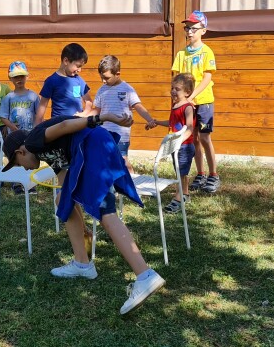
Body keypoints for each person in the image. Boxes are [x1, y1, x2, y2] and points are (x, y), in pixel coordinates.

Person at [2, 113, 166, 315]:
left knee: (106, 212)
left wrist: (105, 117)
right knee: (62, 201)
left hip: (94, 145)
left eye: (18, 163)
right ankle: (82, 263)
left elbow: (63, 125)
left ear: (20, 151)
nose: (24, 169)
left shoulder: (33, 141)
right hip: (97, 144)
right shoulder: (46, 153)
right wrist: (82, 227)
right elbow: (66, 189)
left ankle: (145, 275)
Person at [172, 11, 220, 194]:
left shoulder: (207, 52)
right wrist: (179, 100)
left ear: (203, 30)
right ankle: (200, 173)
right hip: (187, 104)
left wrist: (191, 97)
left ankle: (213, 175)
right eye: (187, 28)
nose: (190, 32)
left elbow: (207, 78)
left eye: (193, 28)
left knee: (205, 137)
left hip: (204, 101)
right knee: (193, 139)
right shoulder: (181, 54)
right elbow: (176, 79)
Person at [92, 55, 157, 168]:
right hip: (105, 135)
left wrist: (150, 120)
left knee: (123, 161)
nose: (103, 81)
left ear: (117, 74)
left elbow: (138, 106)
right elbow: (96, 111)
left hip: (121, 136)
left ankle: (131, 182)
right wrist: (82, 119)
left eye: (107, 78)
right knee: (106, 162)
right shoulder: (101, 90)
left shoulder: (127, 89)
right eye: (101, 77)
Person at [145, 74, 196, 213]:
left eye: (177, 89)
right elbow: (172, 123)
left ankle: (178, 199)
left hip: (184, 146)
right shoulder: (175, 106)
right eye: (172, 88)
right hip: (176, 146)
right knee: (181, 173)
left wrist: (180, 141)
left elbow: (190, 127)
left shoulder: (188, 107)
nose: (173, 91)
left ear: (187, 92)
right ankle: (185, 194)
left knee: (180, 173)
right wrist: (157, 122)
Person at [35, 42, 91, 124]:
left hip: (77, 124)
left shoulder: (79, 80)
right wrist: (37, 126)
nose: (79, 70)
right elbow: (42, 105)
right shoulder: (51, 81)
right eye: (78, 66)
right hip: (59, 126)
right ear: (66, 61)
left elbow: (88, 101)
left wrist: (85, 113)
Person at [0, 61, 39, 135]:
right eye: (16, 77)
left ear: (27, 76)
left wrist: (36, 129)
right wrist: (12, 126)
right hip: (14, 135)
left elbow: (39, 115)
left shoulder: (34, 96)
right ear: (10, 78)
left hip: (31, 134)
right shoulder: (8, 98)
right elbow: (3, 116)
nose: (19, 79)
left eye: (22, 76)